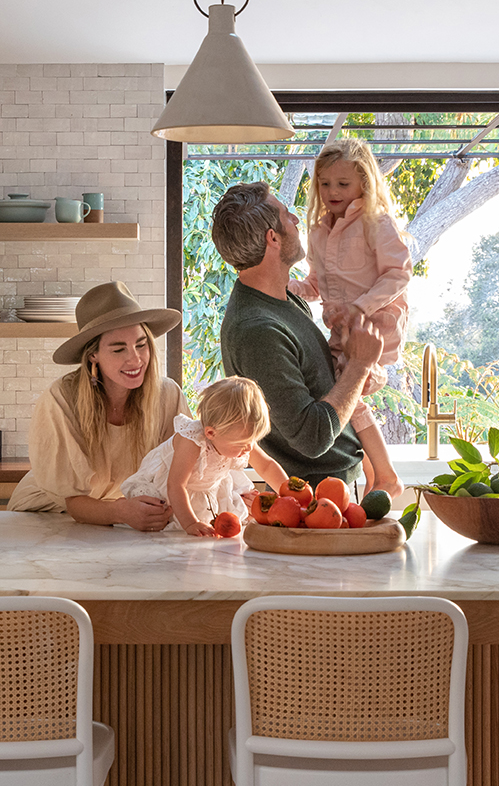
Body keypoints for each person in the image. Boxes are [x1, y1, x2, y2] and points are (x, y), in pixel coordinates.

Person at [211, 181, 393, 494]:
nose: (296, 220)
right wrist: (360, 364)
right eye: (286, 215)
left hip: (334, 486)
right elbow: (312, 438)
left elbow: (321, 388)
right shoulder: (257, 331)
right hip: (310, 499)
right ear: (273, 239)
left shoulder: (285, 300)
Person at [7, 282, 191, 530]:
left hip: (115, 516)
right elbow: (73, 502)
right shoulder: (61, 398)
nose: (135, 359)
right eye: (119, 349)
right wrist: (121, 511)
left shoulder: (168, 396)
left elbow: (185, 468)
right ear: (93, 355)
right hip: (44, 515)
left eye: (141, 344)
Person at [287, 138, 411, 497]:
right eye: (324, 184)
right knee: (340, 392)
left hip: (375, 325)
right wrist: (289, 286)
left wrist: (362, 306)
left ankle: (385, 474)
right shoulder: (319, 232)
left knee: (347, 393)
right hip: (342, 329)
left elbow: (399, 274)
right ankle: (377, 477)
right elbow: (317, 283)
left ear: (364, 184)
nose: (332, 191)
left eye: (342, 184)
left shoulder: (375, 222)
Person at [119, 376, 289, 537]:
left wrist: (289, 496)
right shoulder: (192, 441)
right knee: (163, 523)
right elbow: (176, 485)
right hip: (171, 491)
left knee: (231, 520)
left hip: (207, 487)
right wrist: (190, 523)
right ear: (210, 433)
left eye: (252, 441)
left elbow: (266, 466)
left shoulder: (240, 439)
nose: (249, 448)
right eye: (241, 444)